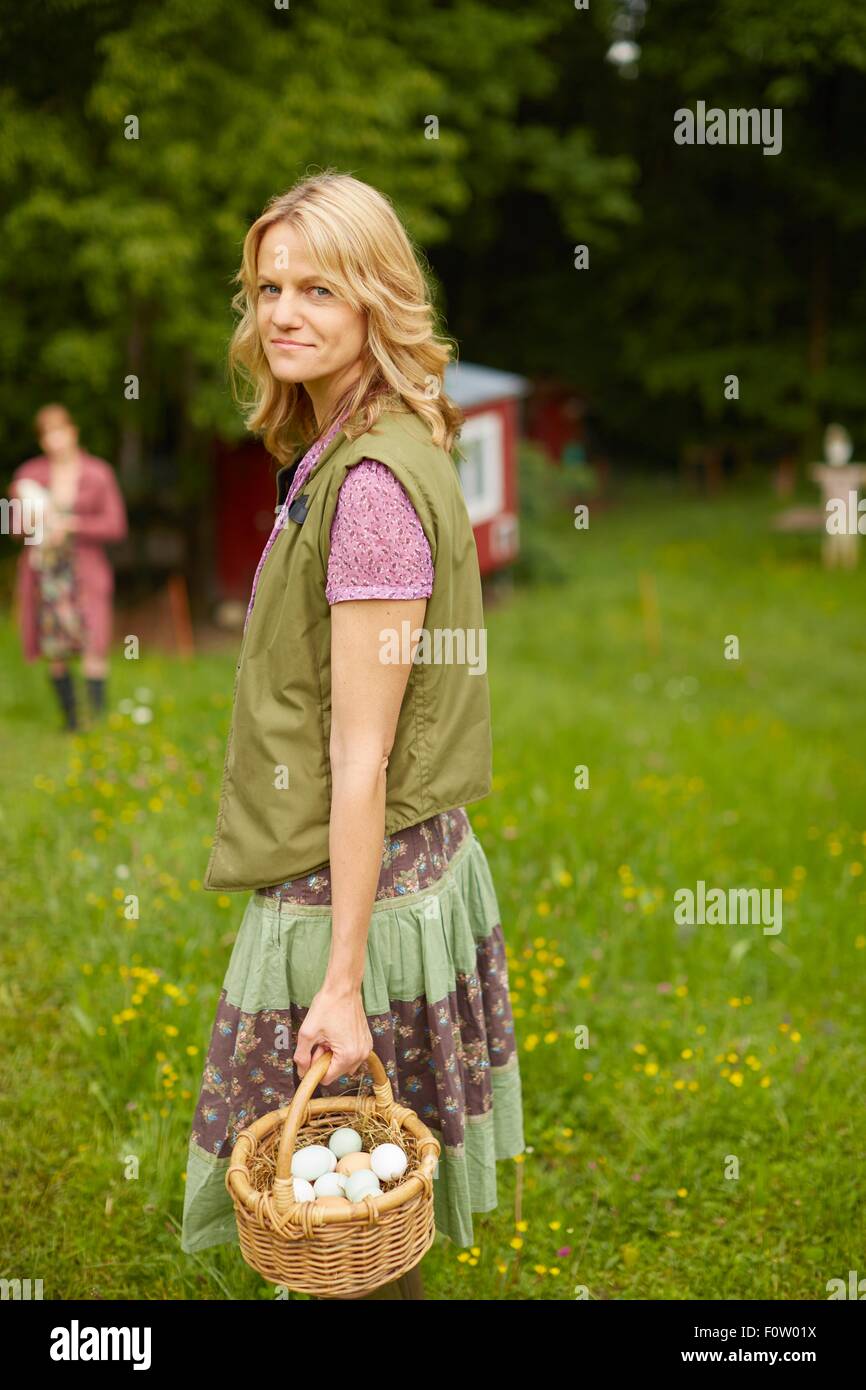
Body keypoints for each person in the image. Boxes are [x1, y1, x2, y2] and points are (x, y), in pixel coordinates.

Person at [180, 172, 525, 1298]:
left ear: (374, 299)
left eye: (316, 287)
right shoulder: (359, 438)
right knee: (350, 1202)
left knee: (346, 1215)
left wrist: (338, 981)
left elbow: (362, 753)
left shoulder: (368, 484)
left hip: (358, 899)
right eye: (268, 286)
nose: (280, 311)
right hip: (390, 872)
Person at [8, 403, 128, 730]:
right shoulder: (27, 475)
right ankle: (72, 720)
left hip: (84, 569)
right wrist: (24, 517)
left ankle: (97, 720)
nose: (54, 440)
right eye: (47, 434)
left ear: (73, 432)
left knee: (94, 641)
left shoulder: (97, 473)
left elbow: (116, 525)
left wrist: (73, 525)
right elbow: (12, 529)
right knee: (55, 647)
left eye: (59, 431)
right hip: (45, 570)